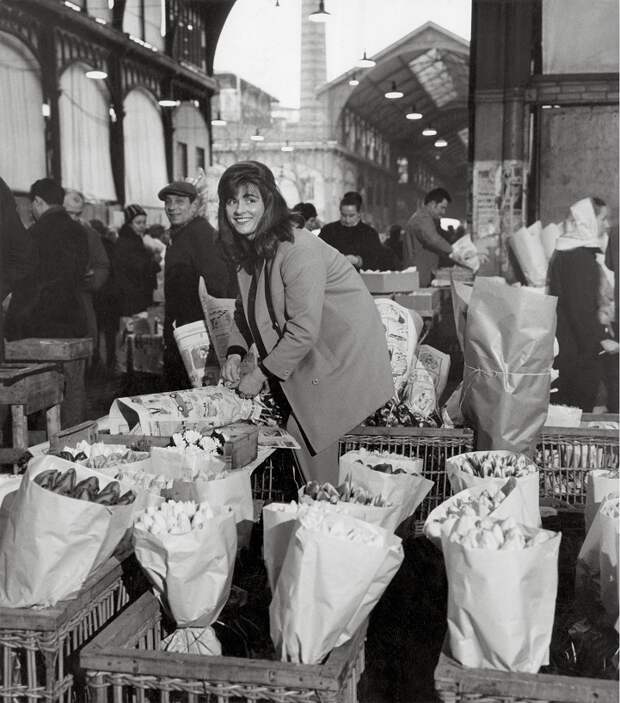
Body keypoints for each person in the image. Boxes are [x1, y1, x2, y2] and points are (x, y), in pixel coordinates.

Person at [219, 161, 394, 484]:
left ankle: (326, 513)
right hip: (312, 352)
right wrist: (234, 350)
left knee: (308, 431)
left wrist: (258, 374)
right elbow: (245, 310)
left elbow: (302, 330)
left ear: (268, 202)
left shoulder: (298, 249)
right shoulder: (250, 252)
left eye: (250, 199)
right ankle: (319, 508)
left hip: (341, 354)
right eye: (232, 201)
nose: (239, 210)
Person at [159, 180, 234, 390]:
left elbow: (218, 286)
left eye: (179, 202)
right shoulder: (181, 234)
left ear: (195, 206)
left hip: (197, 336)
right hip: (183, 333)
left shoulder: (200, 234)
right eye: (168, 202)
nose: (172, 207)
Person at [548, 196, 618, 412]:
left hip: (566, 348)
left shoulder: (565, 251)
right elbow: (581, 311)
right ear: (588, 220)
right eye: (603, 218)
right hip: (578, 355)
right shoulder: (580, 259)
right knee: (577, 411)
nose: (606, 225)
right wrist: (601, 340)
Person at [5, 178, 88, 340]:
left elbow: (27, 281)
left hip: (38, 323)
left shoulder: (34, 234)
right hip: (73, 318)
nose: (30, 210)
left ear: (38, 201)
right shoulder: (79, 231)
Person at [113, 204, 161, 373]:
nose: (142, 226)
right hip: (131, 296)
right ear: (129, 223)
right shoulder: (128, 242)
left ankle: (130, 365)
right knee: (131, 331)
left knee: (132, 330)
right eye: (138, 222)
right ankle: (129, 367)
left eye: (144, 222)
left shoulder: (131, 240)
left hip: (132, 295)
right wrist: (154, 261)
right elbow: (139, 267)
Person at [64, 190, 111, 360]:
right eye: (69, 213)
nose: (74, 218)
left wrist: (91, 282)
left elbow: (102, 265)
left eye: (78, 214)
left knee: (84, 351)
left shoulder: (90, 234)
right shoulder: (49, 232)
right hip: (55, 302)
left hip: (83, 299)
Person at [403, 187, 467, 286]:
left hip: (423, 274)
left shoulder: (430, 220)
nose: (444, 212)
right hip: (418, 276)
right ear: (433, 204)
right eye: (442, 207)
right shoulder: (422, 219)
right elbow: (433, 239)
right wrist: (456, 252)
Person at [318, 191, 393, 271]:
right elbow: (317, 253)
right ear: (340, 212)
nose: (347, 220)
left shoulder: (369, 233)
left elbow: (378, 260)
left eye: (351, 216)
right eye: (344, 215)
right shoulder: (328, 230)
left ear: (359, 214)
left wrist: (357, 260)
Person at [89, 219, 119, 372]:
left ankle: (95, 362)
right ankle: (111, 362)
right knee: (110, 333)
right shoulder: (112, 245)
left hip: (97, 294)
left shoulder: (90, 246)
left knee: (96, 330)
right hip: (112, 294)